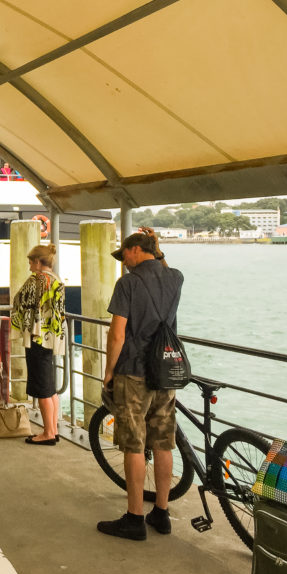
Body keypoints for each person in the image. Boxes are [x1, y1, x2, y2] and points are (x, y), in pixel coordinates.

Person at [97, 227, 183, 541]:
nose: (124, 262)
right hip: (165, 370)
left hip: (133, 371)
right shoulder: (175, 278)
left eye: (125, 255)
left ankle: (134, 517)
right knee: (162, 440)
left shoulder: (128, 283)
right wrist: (157, 247)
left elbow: (117, 333)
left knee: (133, 443)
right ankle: (161, 512)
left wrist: (108, 371)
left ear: (135, 250)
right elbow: (164, 266)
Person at [11, 244, 65, 444]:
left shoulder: (37, 280)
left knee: (42, 387)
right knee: (50, 387)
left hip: (37, 336)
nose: (29, 267)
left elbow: (19, 300)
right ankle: (54, 428)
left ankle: (48, 433)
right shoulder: (56, 280)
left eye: (30, 263)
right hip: (52, 336)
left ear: (37, 262)